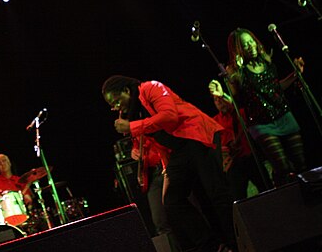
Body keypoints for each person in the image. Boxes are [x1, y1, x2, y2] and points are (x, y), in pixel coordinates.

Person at [102, 76, 235, 252]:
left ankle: (236, 243)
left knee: (216, 194)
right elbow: (161, 142)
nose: (115, 107)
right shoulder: (134, 113)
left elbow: (169, 117)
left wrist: (133, 127)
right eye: (112, 105)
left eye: (116, 101)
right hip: (180, 150)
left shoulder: (151, 88)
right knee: (173, 201)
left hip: (196, 136)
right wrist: (166, 167)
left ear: (127, 91)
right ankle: (214, 246)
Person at [223, 27, 307, 187]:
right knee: (282, 167)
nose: (251, 46)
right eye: (245, 44)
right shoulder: (235, 72)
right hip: (262, 124)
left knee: (301, 164)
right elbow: (237, 101)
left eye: (251, 41)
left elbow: (276, 88)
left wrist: (296, 74)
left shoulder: (266, 61)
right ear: (238, 50)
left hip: (283, 115)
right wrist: (235, 77)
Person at [208, 79, 271, 200]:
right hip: (233, 164)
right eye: (216, 100)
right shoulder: (214, 121)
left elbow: (235, 106)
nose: (219, 102)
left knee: (266, 187)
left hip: (250, 158)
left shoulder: (240, 112)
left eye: (221, 99)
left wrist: (223, 94)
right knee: (238, 197)